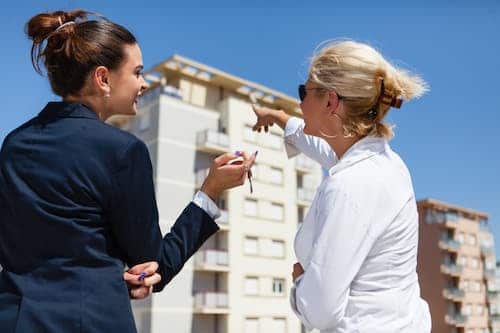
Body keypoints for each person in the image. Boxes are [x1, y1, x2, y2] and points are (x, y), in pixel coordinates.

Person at [0, 10, 254, 332]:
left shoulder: (14, 143)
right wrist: (211, 190)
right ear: (103, 78)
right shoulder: (122, 150)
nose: (144, 83)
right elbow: (153, 265)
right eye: (137, 72)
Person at [252, 40, 431, 332]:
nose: (299, 103)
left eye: (304, 91)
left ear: (330, 102)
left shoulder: (349, 186)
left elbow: (320, 312)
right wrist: (278, 118)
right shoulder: (385, 163)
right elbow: (328, 151)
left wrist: (300, 283)